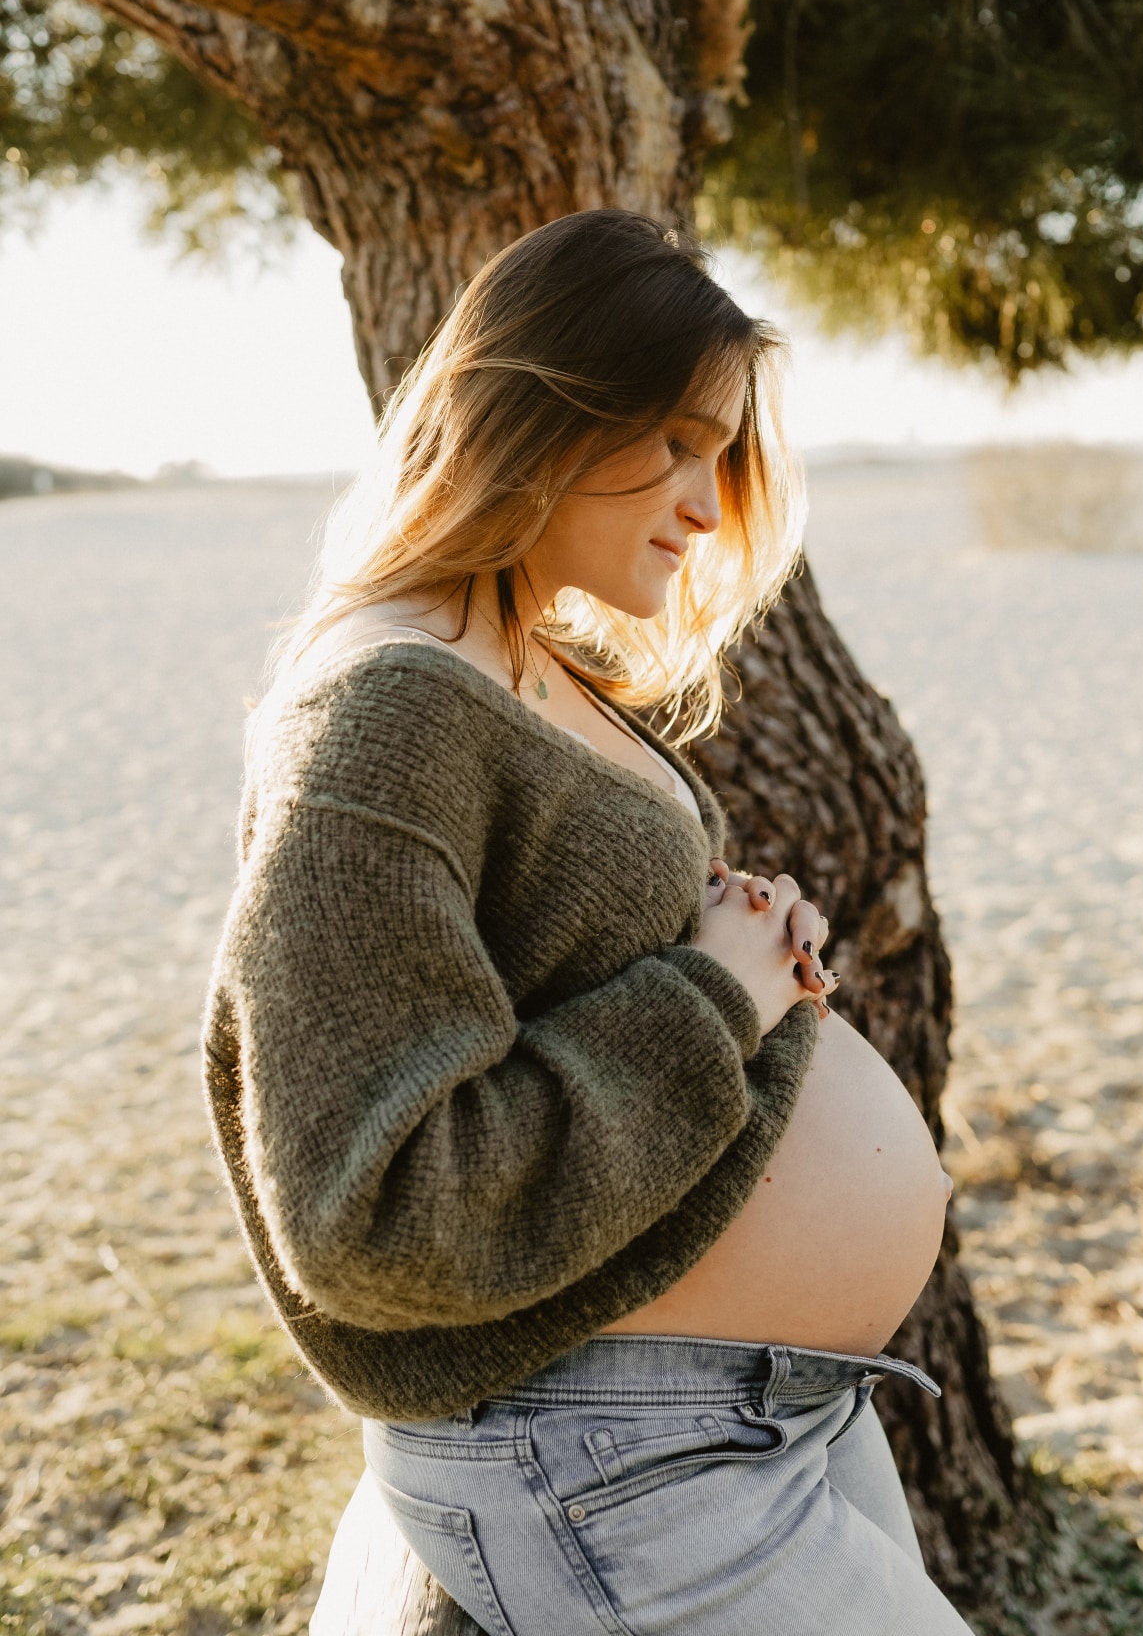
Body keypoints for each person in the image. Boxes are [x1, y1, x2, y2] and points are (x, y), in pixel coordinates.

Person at [202, 210, 972, 1635]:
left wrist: (735, 942)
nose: (704, 498)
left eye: (722, 453)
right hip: (613, 1458)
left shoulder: (520, 655)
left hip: (750, 1418)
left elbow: (566, 969)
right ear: (541, 408)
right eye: (673, 440)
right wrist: (718, 1001)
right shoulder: (384, 708)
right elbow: (372, 1212)